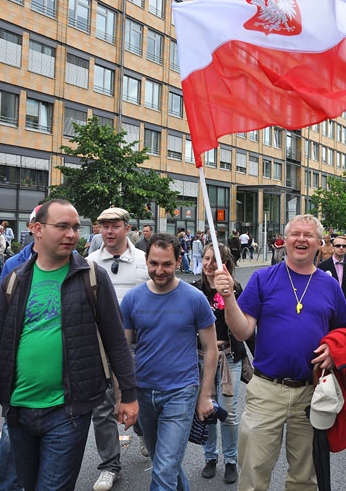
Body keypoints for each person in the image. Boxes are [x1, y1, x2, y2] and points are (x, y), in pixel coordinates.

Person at [0, 199, 138, 491]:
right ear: (37, 229)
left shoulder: (92, 277)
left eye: (75, 227)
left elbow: (116, 341)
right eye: (63, 227)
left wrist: (129, 395)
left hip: (69, 411)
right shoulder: (15, 280)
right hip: (17, 410)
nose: (72, 234)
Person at [224, 214, 346, 491]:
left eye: (308, 235)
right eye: (295, 234)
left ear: (320, 243)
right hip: (266, 390)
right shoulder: (263, 278)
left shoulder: (330, 285)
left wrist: (334, 348)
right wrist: (228, 299)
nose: (301, 239)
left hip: (312, 392)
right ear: (285, 240)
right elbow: (242, 331)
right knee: (253, 474)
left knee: (305, 478)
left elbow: (344, 331)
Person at [120, 233, 217, 491]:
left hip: (181, 392)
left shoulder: (195, 298)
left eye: (166, 264)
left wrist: (205, 395)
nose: (159, 270)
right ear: (146, 260)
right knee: (165, 462)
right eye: (154, 264)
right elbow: (121, 350)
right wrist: (122, 394)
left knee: (163, 468)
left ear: (178, 261)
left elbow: (210, 349)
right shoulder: (132, 299)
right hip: (143, 392)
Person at [87, 207, 150, 490]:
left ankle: (141, 430)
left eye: (114, 226)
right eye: (104, 226)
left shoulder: (145, 261)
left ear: (127, 228)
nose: (109, 232)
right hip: (98, 348)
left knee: (140, 401)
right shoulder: (87, 263)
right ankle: (110, 465)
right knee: (102, 408)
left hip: (137, 346)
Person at [193, 243, 250, 484]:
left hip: (229, 359)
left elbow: (244, 327)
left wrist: (227, 296)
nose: (208, 264)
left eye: (214, 260)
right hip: (201, 360)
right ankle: (210, 457)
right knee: (206, 410)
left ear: (224, 265)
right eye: (206, 259)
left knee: (228, 413)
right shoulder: (194, 290)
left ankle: (230, 461)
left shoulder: (234, 289)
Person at [318, 235, 346, 322]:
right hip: (328, 308)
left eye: (344, 246)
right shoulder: (323, 266)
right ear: (333, 247)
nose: (341, 248)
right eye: (338, 246)